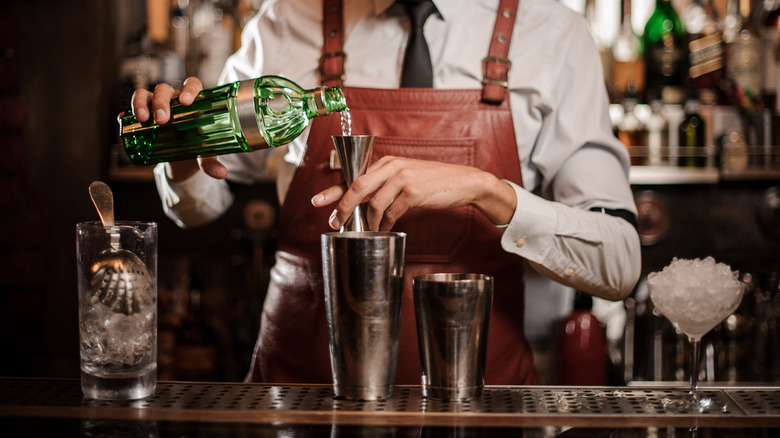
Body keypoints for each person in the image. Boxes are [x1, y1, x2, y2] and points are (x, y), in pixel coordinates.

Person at [137, 0, 641, 385]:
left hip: (481, 402)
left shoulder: (552, 30)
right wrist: (182, 156)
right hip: (297, 398)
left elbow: (618, 265)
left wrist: (490, 193)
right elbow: (199, 208)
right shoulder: (288, 17)